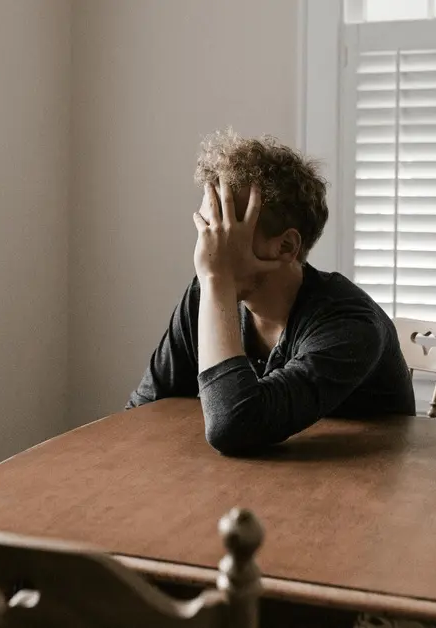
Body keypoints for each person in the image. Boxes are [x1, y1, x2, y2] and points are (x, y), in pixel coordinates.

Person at [126, 129, 415, 456]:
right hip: (252, 484)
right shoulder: (207, 294)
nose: (207, 247)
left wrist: (217, 279)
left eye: (225, 229)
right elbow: (141, 412)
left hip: (362, 491)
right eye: (207, 227)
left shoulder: (350, 324)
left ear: (287, 246)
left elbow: (234, 426)